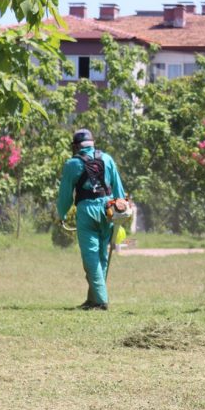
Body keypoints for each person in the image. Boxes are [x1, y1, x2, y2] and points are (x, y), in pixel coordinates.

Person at [57, 129, 126, 311]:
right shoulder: (108, 159)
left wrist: (62, 214)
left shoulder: (72, 164)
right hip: (108, 210)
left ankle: (101, 301)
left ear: (77, 147)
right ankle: (93, 299)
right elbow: (118, 189)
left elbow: (65, 194)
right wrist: (121, 210)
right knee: (102, 256)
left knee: (91, 257)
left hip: (87, 211)